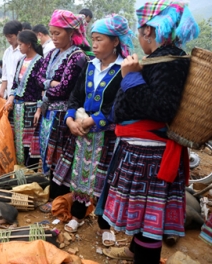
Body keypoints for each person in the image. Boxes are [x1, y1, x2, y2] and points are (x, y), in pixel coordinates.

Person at [100, 2, 199, 263]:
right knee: (145, 215)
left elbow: (162, 108)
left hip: (150, 157)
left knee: (148, 223)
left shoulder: (170, 63)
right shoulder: (159, 59)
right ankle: (135, 251)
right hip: (141, 153)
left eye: (139, 30)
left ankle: (145, 258)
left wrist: (130, 77)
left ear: (147, 31)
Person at [53, 15, 134, 238]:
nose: (94, 45)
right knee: (80, 177)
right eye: (93, 40)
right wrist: (70, 120)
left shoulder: (124, 69)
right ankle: (78, 215)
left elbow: (120, 103)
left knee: (104, 179)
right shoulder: (89, 67)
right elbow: (75, 96)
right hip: (81, 133)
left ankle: (105, 224)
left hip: (107, 135)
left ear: (115, 42)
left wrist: (93, 120)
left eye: (99, 40)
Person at [36, 9, 89, 213]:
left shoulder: (77, 58)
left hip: (64, 116)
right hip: (50, 112)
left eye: (58, 33)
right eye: (52, 33)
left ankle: (58, 199)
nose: (54, 37)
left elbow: (65, 89)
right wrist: (50, 83)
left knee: (62, 158)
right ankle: (54, 196)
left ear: (70, 32)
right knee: (49, 155)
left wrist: (46, 85)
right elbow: (38, 79)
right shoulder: (51, 54)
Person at [4, 30, 45, 167]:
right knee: (17, 139)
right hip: (17, 107)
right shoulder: (21, 61)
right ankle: (19, 170)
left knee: (30, 142)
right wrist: (10, 98)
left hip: (31, 108)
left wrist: (39, 109)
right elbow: (15, 84)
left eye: (21, 44)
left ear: (29, 45)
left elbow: (42, 88)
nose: (19, 47)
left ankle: (29, 172)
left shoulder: (40, 61)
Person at [0, 20, 24, 99]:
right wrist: (1, 91)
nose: (8, 40)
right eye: (7, 37)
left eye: (10, 36)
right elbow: (5, 76)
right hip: (10, 94)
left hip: (22, 95)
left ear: (19, 33)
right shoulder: (7, 52)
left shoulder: (25, 52)